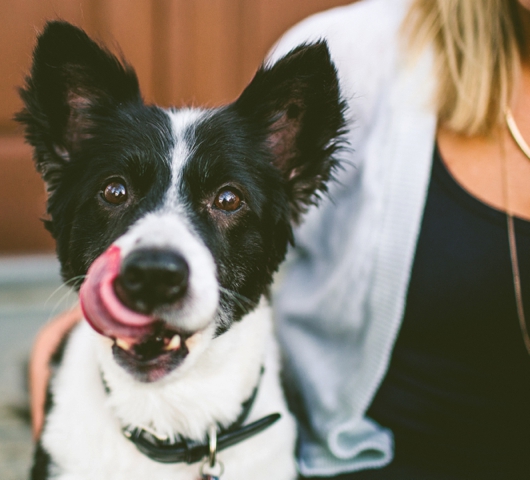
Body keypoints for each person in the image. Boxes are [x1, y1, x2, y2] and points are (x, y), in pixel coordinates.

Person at [29, 0, 530, 478]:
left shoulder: (271, 449)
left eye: (227, 201)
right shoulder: (361, 47)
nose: (159, 253)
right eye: (115, 191)